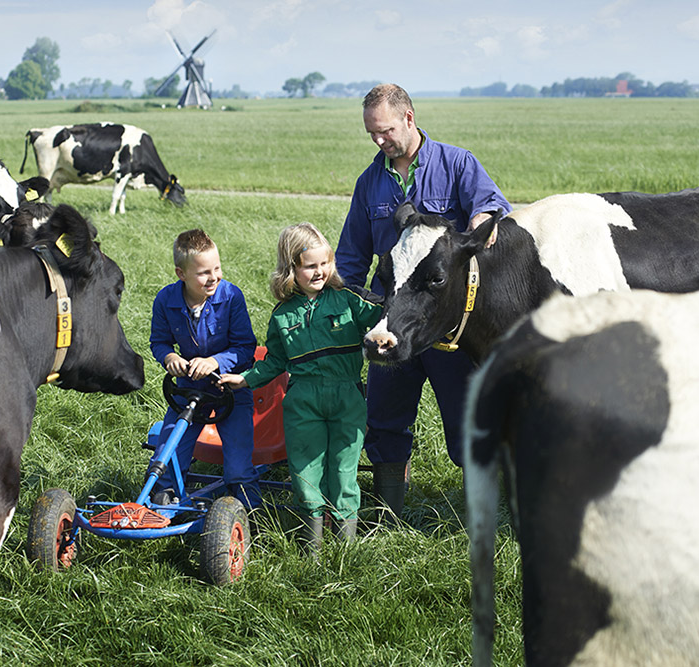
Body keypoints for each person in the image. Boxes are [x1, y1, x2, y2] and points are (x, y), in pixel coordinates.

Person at [335, 83, 512, 520]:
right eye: (372, 133)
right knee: (385, 416)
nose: (379, 141)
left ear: (409, 118)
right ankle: (389, 513)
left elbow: (492, 209)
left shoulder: (457, 163)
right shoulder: (370, 182)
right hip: (390, 320)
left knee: (465, 415)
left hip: (448, 324)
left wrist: (482, 219)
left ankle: (480, 512)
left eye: (386, 131)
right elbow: (352, 256)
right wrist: (331, 305)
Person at [219, 223, 382, 553]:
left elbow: (389, 317)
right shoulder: (282, 315)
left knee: (343, 471)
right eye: (310, 266)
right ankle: (312, 549)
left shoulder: (350, 300)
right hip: (302, 400)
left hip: (346, 396)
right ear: (291, 268)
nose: (320, 271)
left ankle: (345, 550)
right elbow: (274, 360)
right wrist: (246, 379)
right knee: (305, 472)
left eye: (325, 263)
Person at [150, 228, 261, 509]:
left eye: (217, 268)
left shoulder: (231, 296)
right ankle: (165, 500)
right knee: (168, 452)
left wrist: (214, 361)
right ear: (181, 274)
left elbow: (245, 346)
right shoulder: (165, 300)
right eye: (203, 273)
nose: (213, 277)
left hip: (230, 388)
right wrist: (169, 358)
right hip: (189, 389)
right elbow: (159, 341)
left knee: (237, 463)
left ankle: (248, 509)